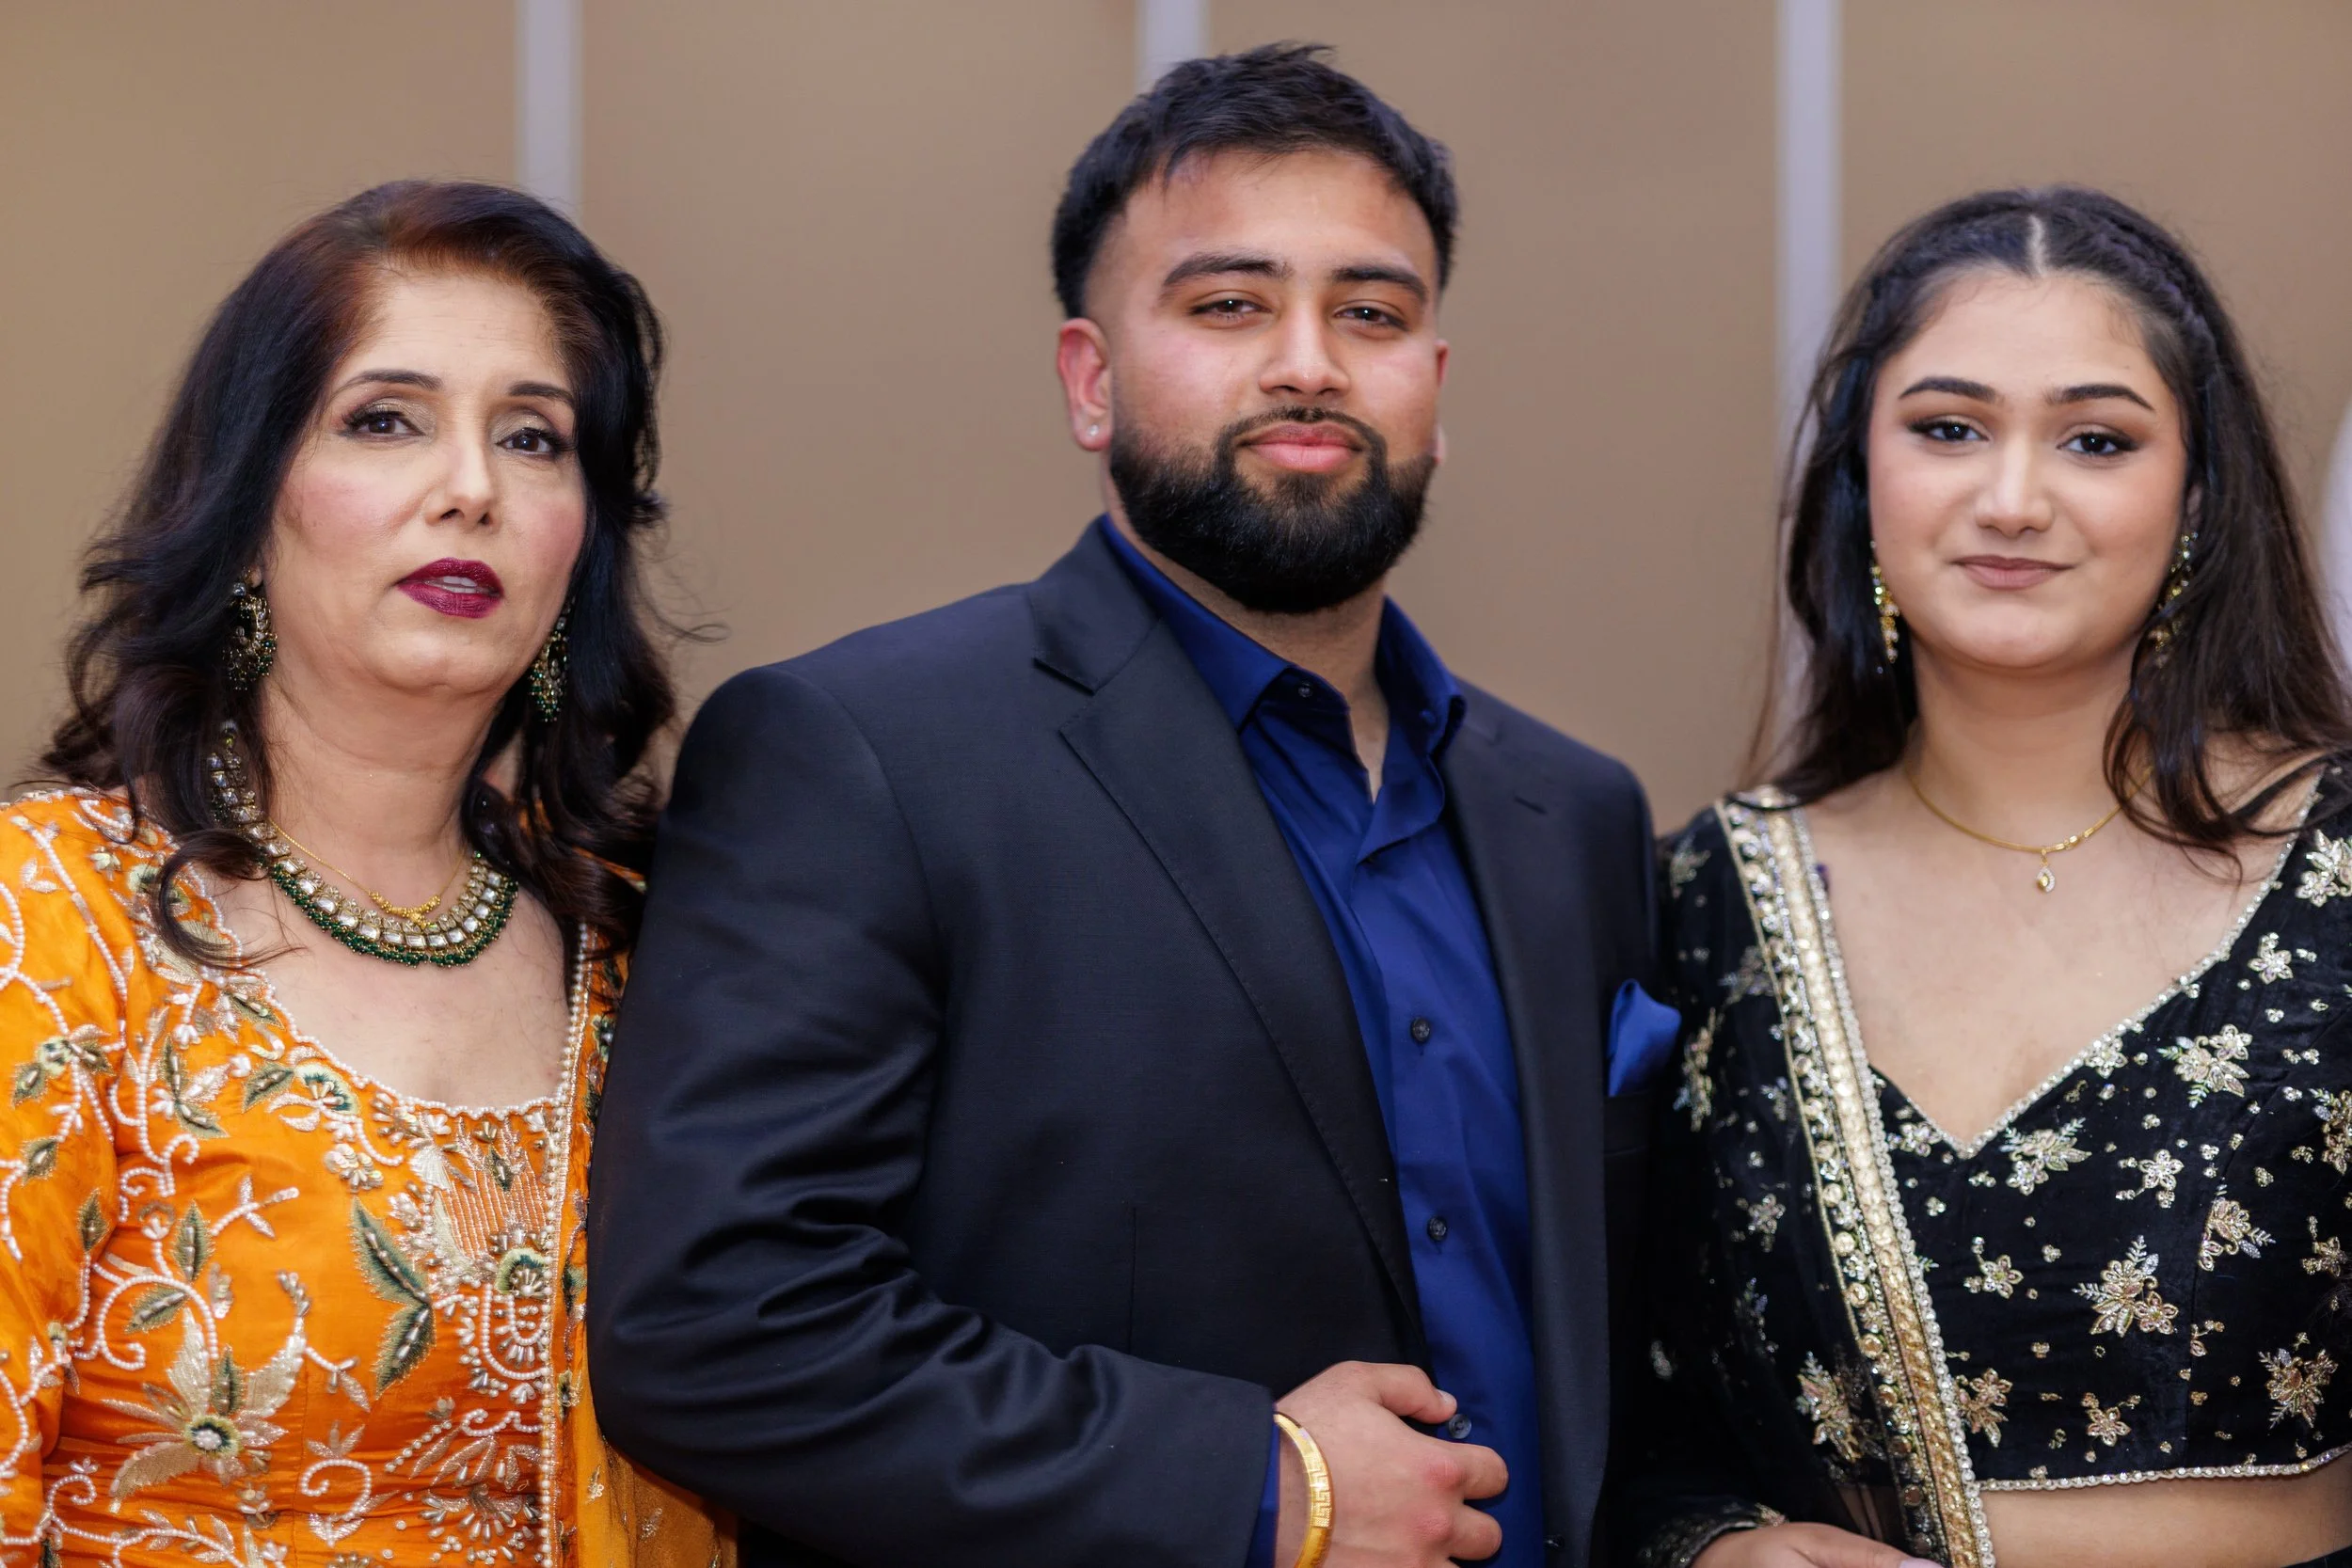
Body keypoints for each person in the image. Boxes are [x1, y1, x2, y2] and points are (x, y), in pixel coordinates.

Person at [589, 43, 1659, 1568]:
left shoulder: (1582, 817)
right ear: (1091, 380)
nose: (1309, 360)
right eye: (1228, 305)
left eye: (1373, 310)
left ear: (1435, 381)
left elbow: (1630, 1345)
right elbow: (717, 1322)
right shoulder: (860, 755)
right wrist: (1252, 1481)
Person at [1623, 185, 2352, 1568]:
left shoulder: (2338, 862)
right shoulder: (1717, 896)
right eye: (1947, 429)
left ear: (2196, 497)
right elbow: (1630, 1403)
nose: (2011, 500)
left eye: (2096, 439)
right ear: (1862, 478)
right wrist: (1715, 1547)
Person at [0, 181, 725, 1568]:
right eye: (385, 419)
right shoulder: (45, 916)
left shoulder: (645, 954)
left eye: (534, 437)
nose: (472, 486)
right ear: (247, 497)